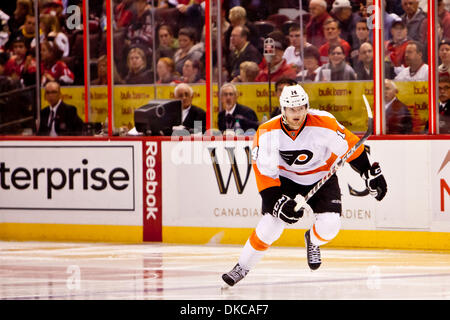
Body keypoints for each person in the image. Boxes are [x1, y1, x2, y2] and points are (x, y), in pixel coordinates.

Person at [221, 84, 387, 287]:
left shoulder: (324, 123)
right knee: (271, 226)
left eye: (301, 107)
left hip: (320, 176)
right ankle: (242, 267)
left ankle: (313, 241)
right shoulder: (267, 132)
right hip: (285, 179)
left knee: (330, 227)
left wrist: (368, 172)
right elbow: (265, 175)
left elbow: (352, 149)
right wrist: (277, 203)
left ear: (307, 106)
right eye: (291, 109)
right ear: (283, 109)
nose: (297, 113)